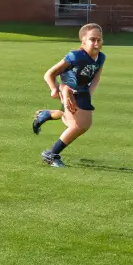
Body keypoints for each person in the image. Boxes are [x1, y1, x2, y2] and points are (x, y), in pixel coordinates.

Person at [32, 23, 106, 168]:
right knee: (79, 125)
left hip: (82, 92)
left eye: (99, 39)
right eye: (92, 39)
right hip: (67, 91)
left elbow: (96, 76)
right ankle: (51, 154)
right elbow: (50, 74)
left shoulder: (101, 57)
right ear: (83, 41)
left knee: (77, 124)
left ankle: (47, 115)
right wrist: (54, 89)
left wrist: (89, 93)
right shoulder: (75, 56)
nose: (96, 43)